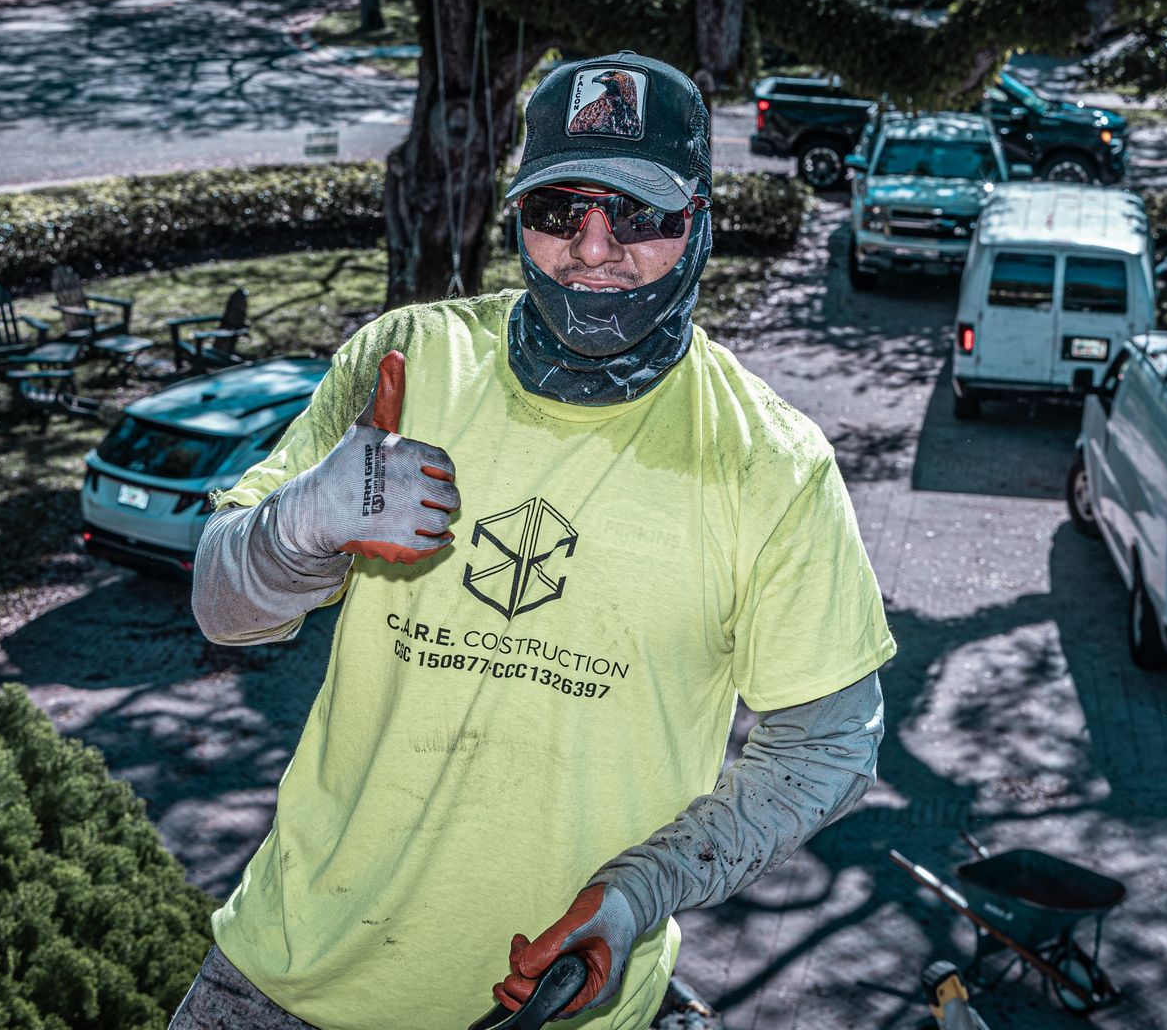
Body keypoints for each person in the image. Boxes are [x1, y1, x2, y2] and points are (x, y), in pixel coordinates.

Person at [170, 51, 896, 1030]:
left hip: (557, 1008)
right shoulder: (406, 364)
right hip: (280, 982)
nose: (594, 249)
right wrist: (298, 526)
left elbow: (829, 747)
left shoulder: (771, 463)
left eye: (638, 213)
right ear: (520, 218)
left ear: (699, 222)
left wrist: (642, 890)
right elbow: (221, 608)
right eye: (559, 209)